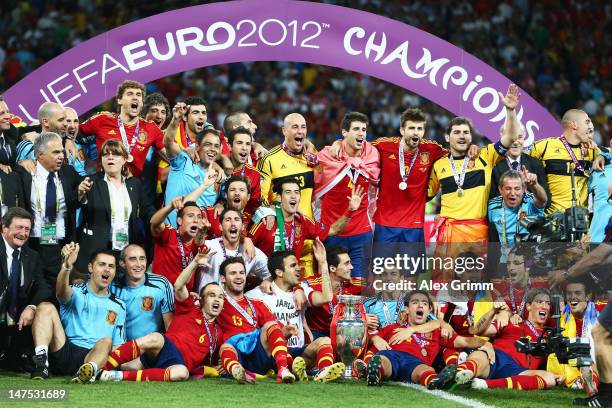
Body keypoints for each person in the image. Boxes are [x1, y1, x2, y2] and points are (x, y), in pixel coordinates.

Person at [97, 249, 223, 382]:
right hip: (164, 349)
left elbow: (208, 361)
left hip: (178, 364)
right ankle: (102, 369)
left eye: (220, 297)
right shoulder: (190, 308)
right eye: (212, 295)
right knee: (156, 338)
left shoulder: (218, 333)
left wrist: (215, 368)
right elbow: (179, 286)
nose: (216, 300)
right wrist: (195, 263)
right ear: (202, 300)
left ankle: (114, 376)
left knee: (182, 373)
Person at [428, 84, 521, 244]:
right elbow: (425, 195)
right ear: (447, 137)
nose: (462, 136)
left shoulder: (486, 155)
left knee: (477, 270)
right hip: (450, 234)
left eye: (466, 132)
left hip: (478, 233)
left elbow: (510, 137)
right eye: (456, 132)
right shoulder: (438, 165)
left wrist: (510, 111)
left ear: (471, 137)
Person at [247, 245, 345, 383]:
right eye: (293, 266)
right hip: (274, 353)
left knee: (325, 341)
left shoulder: (302, 290)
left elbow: (327, 297)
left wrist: (323, 263)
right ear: (279, 272)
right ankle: (293, 368)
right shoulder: (258, 294)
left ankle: (323, 372)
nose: (299, 268)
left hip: (297, 352)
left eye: (298, 264)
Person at [30, 243, 126, 383]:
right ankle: (41, 364)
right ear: (90, 268)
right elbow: (61, 291)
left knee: (107, 341)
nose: (107, 269)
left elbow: (118, 345)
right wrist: (67, 266)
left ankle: (87, 372)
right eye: (102, 264)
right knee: (45, 307)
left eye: (111, 266)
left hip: (93, 355)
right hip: (64, 350)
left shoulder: (119, 305)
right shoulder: (76, 291)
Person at [366, 290, 486, 389]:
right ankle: (375, 373)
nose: (420, 305)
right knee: (382, 360)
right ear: (406, 309)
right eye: (415, 302)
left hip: (416, 363)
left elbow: (464, 341)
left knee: (426, 370)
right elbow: (369, 337)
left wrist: (485, 344)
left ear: (429, 310)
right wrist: (375, 337)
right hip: (392, 355)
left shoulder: (437, 332)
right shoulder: (393, 327)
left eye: (424, 303)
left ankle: (435, 382)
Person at [453, 289, 564, 391]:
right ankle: (460, 374)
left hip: (519, 371)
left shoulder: (550, 335)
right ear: (528, 306)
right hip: (496, 358)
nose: (544, 306)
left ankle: (485, 384)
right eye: (540, 302)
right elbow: (477, 331)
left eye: (548, 303)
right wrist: (493, 311)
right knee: (481, 355)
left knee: (549, 378)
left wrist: (559, 375)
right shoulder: (512, 322)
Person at [315, 112, 380, 285]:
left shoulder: (372, 155)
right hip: (333, 232)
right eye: (356, 129)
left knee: (359, 286)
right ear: (344, 133)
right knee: (332, 285)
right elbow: (307, 160)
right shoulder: (327, 157)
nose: (361, 134)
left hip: (362, 233)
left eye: (364, 130)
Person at [75, 139, 155, 273]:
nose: (110, 157)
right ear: (101, 160)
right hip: (97, 249)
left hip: (124, 250)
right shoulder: (92, 181)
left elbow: (147, 209)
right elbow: (77, 203)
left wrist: (158, 219)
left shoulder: (134, 184)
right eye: (106, 154)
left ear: (124, 159)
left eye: (115, 154)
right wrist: (79, 194)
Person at [17, 132, 85, 289]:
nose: (61, 156)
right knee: (32, 290)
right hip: (32, 245)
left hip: (61, 246)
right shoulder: (23, 174)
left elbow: (89, 184)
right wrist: (21, 161)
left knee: (58, 291)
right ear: (40, 155)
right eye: (56, 152)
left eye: (61, 151)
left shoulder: (68, 172)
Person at [249, 177, 362, 269]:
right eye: (288, 192)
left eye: (297, 193)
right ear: (279, 197)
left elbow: (333, 230)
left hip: (291, 282)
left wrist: (350, 210)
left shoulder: (303, 222)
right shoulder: (266, 220)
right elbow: (245, 248)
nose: (293, 196)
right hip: (264, 283)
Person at [370, 107, 447, 243]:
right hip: (385, 224)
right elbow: (359, 148)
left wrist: (471, 147)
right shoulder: (384, 145)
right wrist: (339, 143)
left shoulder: (431, 149)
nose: (416, 132)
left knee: (414, 265)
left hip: (414, 225)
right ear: (402, 130)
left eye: (420, 128)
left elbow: (456, 154)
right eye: (411, 128)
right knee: (382, 265)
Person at [216, 256, 296, 383]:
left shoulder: (257, 303)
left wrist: (286, 330)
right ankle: (237, 370)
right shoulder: (218, 302)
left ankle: (283, 370)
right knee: (225, 347)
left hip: (258, 354)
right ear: (223, 278)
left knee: (271, 325)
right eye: (233, 273)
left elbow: (276, 330)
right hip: (236, 354)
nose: (238, 276)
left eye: (242, 273)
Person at [257, 112, 317, 276]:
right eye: (295, 127)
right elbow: (260, 194)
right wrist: (267, 211)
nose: (300, 131)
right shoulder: (270, 159)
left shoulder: (313, 158)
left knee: (306, 292)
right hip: (282, 236)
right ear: (284, 130)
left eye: (303, 127)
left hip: (308, 237)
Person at [78, 80, 165, 179]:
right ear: (119, 100)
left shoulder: (151, 128)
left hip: (133, 187)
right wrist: (69, 141)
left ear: (142, 103)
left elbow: (173, 157)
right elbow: (74, 132)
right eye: (130, 94)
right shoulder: (102, 120)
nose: (135, 97)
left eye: (138, 95)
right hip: (104, 184)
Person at [0, 208, 50, 370]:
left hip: (17, 323)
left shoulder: (32, 256)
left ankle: (21, 357)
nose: (23, 233)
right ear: (4, 228)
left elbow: (44, 287)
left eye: (27, 229)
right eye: (19, 227)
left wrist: (32, 306)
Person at [528, 109, 601, 214]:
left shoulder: (592, 151)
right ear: (574, 125)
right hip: (553, 223)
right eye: (587, 122)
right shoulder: (546, 146)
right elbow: (517, 158)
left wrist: (602, 155)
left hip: (582, 224)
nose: (591, 126)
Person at [163, 114, 221, 226]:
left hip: (198, 238)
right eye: (208, 144)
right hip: (172, 233)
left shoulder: (219, 177)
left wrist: (221, 204)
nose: (213, 149)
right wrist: (176, 119)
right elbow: (168, 142)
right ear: (197, 146)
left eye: (216, 146)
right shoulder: (184, 162)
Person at [109, 244, 174, 341]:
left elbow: (170, 327)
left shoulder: (162, 284)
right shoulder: (112, 286)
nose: (139, 264)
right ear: (122, 263)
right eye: (133, 259)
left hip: (150, 347)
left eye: (142, 259)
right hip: (120, 347)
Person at [197, 207, 269, 291]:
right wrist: (201, 232)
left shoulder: (250, 251)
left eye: (236, 219)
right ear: (220, 226)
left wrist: (267, 282)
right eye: (228, 220)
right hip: (206, 301)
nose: (233, 223)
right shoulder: (211, 246)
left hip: (233, 302)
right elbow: (197, 244)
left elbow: (272, 274)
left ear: (242, 227)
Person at [301, 246, 363, 340]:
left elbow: (381, 283)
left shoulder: (352, 284)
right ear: (333, 268)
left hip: (341, 333)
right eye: (346, 263)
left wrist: (365, 318)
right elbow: (291, 284)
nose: (351, 267)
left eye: (350, 262)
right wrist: (297, 289)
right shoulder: (313, 284)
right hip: (316, 336)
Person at [150, 199, 209, 292]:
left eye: (199, 217)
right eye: (190, 216)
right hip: (163, 296)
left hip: (184, 298)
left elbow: (199, 243)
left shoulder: (198, 243)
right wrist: (171, 207)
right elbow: (154, 223)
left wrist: (202, 231)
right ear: (179, 220)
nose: (196, 220)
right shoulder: (169, 234)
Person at [489, 123, 550, 204]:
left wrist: (533, 186)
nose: (516, 142)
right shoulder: (495, 166)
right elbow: (491, 201)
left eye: (520, 137)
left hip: (531, 215)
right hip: (504, 215)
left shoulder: (535, 164)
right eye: (511, 138)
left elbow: (547, 201)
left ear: (524, 138)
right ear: (503, 139)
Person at [488, 169, 547, 245]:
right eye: (508, 188)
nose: (512, 193)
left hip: (530, 254)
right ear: (500, 189)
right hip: (503, 254)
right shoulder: (492, 206)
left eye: (517, 189)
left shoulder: (530, 201)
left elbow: (542, 200)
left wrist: (534, 185)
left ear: (523, 189)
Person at [15, 102, 67, 171]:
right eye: (61, 120)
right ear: (45, 122)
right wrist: (20, 164)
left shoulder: (68, 145)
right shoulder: (26, 147)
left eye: (65, 119)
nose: (66, 124)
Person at [223, 126, 262, 215]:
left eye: (248, 144)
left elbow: (254, 206)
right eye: (239, 143)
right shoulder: (218, 167)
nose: (244, 148)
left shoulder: (254, 174)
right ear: (229, 146)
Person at [64, 107, 97, 177]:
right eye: (68, 121)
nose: (73, 126)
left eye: (75, 121)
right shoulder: (50, 146)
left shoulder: (83, 144)